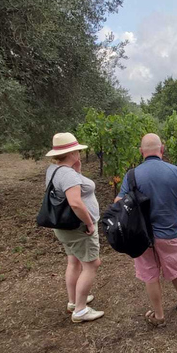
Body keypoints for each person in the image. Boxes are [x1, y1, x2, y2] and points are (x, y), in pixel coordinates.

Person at [116, 133, 177, 327]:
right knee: (176, 268)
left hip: (142, 236)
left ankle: (159, 315)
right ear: (162, 149)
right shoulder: (175, 171)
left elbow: (118, 203)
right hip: (169, 233)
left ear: (141, 152)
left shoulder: (132, 175)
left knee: (150, 274)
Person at [44, 132, 104, 323]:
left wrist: (77, 170)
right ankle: (80, 310)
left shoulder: (54, 169)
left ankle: (73, 301)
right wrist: (88, 223)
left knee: (73, 261)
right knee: (92, 264)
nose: (79, 153)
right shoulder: (68, 175)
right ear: (72, 153)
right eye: (77, 151)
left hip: (64, 228)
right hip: (79, 229)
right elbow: (76, 203)